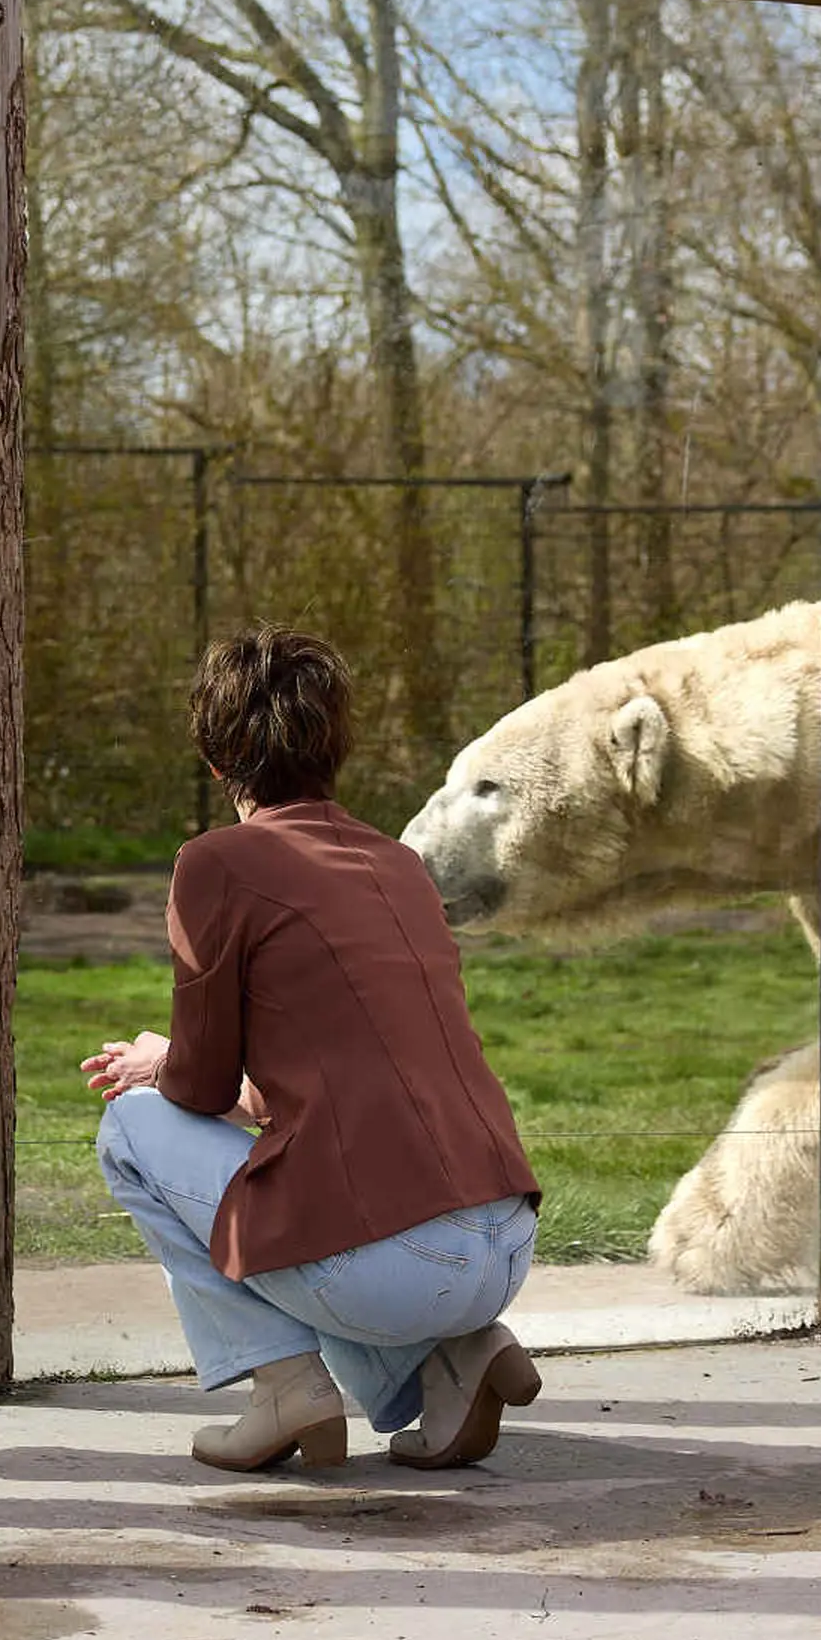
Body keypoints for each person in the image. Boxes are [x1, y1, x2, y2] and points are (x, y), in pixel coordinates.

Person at [84, 628, 546, 1473]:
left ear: (216, 759)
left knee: (132, 1130)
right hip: (507, 1242)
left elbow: (199, 1083)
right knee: (316, 1203)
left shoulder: (217, 863)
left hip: (403, 1266)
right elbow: (314, 1089)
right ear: (336, 745)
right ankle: (456, 1358)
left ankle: (286, 1388)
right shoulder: (399, 863)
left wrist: (159, 1060)